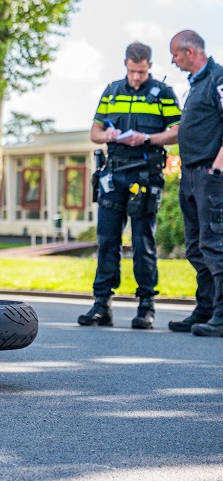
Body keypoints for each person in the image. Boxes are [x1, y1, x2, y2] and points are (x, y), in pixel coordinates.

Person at [79, 42, 180, 328]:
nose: (136, 77)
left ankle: (146, 307)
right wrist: (109, 135)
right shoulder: (112, 91)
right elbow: (94, 132)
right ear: (125, 64)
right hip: (115, 172)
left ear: (149, 65)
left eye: (142, 71)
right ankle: (101, 306)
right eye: (132, 71)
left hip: (146, 174)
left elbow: (177, 131)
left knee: (142, 242)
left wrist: (147, 139)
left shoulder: (163, 93)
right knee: (107, 240)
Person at [169, 30, 223, 337]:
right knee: (196, 247)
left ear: (189, 52)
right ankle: (205, 308)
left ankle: (222, 314)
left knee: (215, 243)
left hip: (209, 175)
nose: (173, 61)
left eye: (175, 54)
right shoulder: (196, 85)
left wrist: (216, 171)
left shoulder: (218, 79)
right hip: (190, 175)